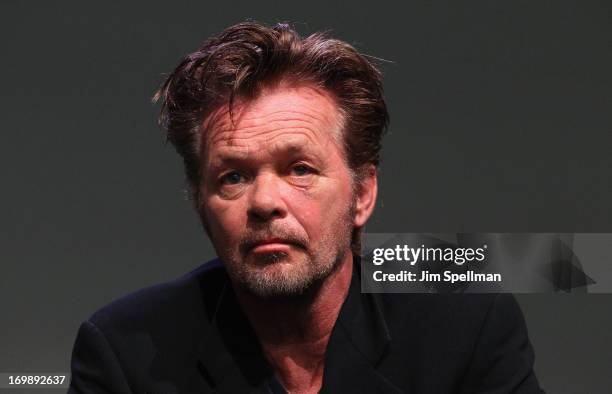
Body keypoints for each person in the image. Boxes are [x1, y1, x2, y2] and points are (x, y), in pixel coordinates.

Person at [68, 21, 544, 394]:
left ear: (362, 194)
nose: (265, 202)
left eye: (299, 169)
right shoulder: (125, 350)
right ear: (199, 203)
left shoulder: (465, 319)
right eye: (233, 177)